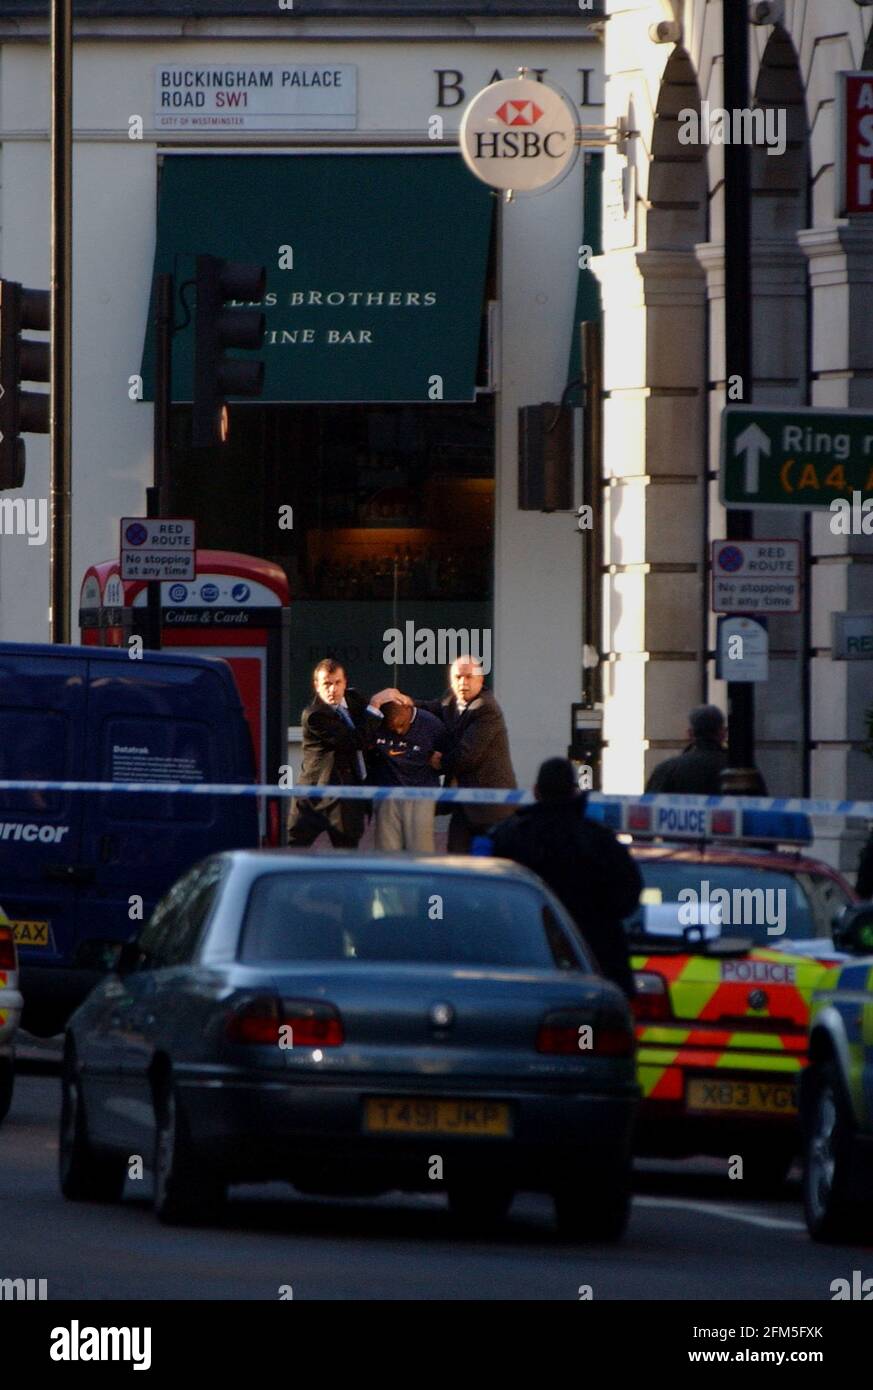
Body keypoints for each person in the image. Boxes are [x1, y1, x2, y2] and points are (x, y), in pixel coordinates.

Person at [490, 757, 641, 998]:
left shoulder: (510, 836)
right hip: (596, 960)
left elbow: (491, 901)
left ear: (536, 792)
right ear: (574, 791)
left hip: (528, 960)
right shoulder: (599, 840)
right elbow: (628, 896)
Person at [389, 656, 517, 853]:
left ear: (480, 679)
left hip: (491, 807)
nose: (463, 683)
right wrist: (406, 702)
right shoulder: (451, 698)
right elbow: (434, 708)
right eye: (457, 677)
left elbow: (467, 755)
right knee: (456, 859)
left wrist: (440, 763)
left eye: (469, 677)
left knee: (494, 866)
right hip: (464, 805)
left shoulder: (486, 708)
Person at [288, 659, 390, 849]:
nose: (332, 689)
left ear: (345, 683)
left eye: (337, 683)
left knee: (347, 852)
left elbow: (373, 720)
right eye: (327, 684)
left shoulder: (354, 699)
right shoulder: (314, 715)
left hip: (348, 796)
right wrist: (375, 705)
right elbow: (354, 740)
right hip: (315, 795)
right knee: (292, 849)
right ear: (317, 686)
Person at [369, 701, 450, 852]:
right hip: (388, 795)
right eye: (392, 728)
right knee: (387, 853)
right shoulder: (376, 724)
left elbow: (450, 758)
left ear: (408, 709)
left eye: (401, 724)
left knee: (420, 852)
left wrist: (441, 763)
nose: (399, 731)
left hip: (421, 795)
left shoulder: (432, 725)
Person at [645, 704, 768, 795]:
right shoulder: (742, 772)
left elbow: (648, 814)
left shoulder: (667, 770)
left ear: (690, 734)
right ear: (723, 733)